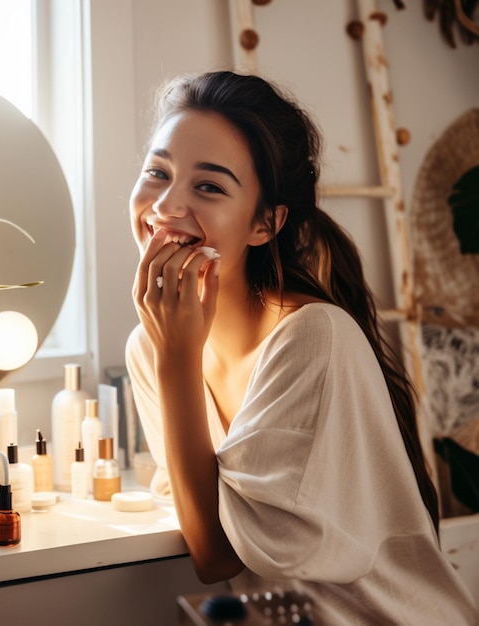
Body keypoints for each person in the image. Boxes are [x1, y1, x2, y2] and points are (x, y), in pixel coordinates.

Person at [125, 70, 477, 624]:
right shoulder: (149, 347)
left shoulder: (313, 338)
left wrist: (176, 358)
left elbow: (215, 556)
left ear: (265, 223)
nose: (166, 206)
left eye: (209, 186)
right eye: (157, 172)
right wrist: (168, 353)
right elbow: (193, 500)